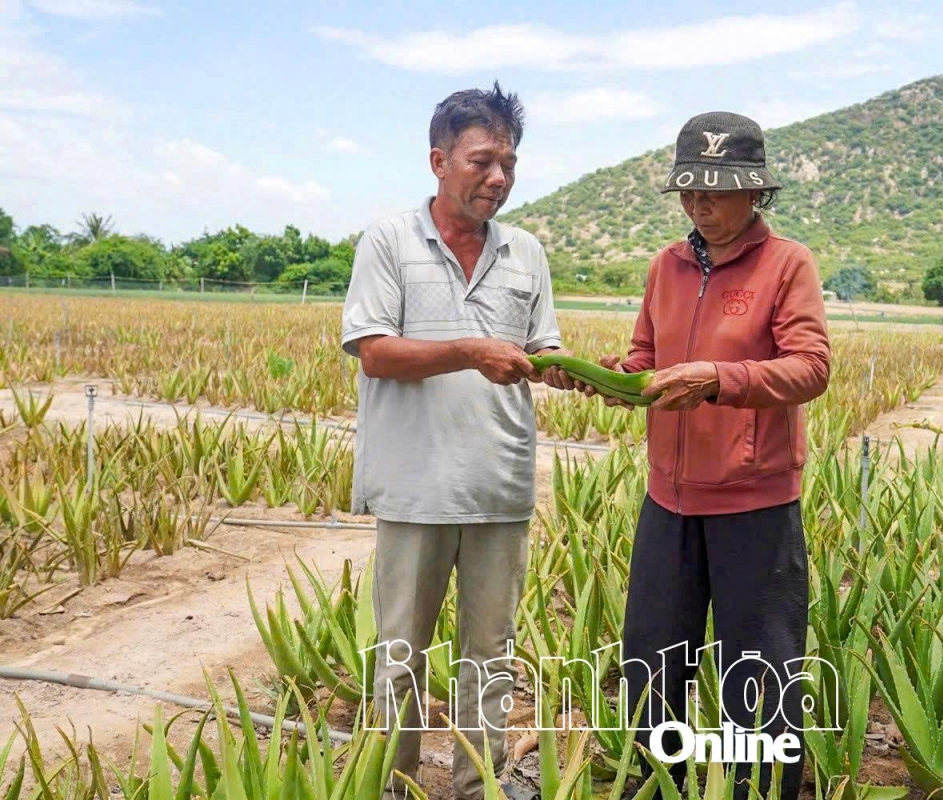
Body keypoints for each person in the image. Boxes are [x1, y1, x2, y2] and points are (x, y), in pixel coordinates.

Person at [564, 111, 830, 799]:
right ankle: (658, 786)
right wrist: (613, 380)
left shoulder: (786, 264)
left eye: (714, 189)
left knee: (760, 670)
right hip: (668, 500)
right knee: (652, 663)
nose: (698, 202)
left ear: (755, 193)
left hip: (756, 504)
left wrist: (718, 379)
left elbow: (810, 368)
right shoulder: (667, 266)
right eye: (688, 189)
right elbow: (647, 363)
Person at [341, 82, 571, 800]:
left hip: (499, 485)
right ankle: (396, 785)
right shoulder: (388, 241)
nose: (497, 177)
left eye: (508, 162)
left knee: (490, 655)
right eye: (481, 161)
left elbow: (540, 350)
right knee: (400, 651)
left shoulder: (527, 252)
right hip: (414, 487)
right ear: (438, 161)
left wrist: (582, 375)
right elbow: (374, 350)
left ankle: (478, 787)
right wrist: (471, 350)